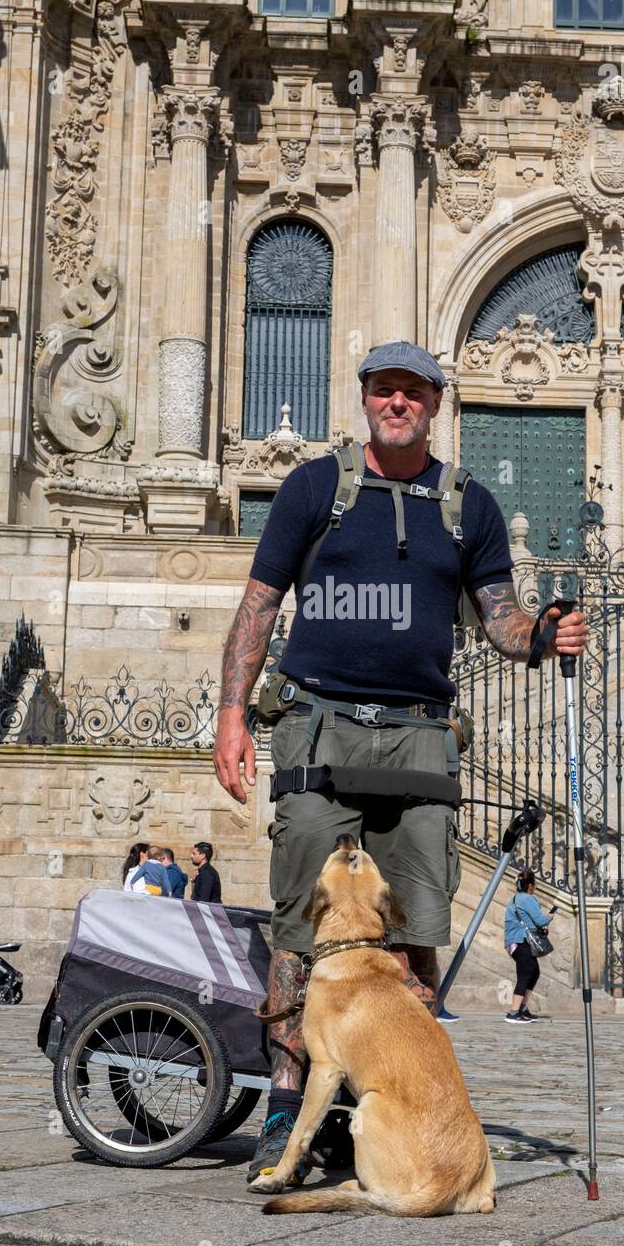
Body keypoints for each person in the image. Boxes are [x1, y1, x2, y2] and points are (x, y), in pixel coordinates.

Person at [213, 339, 588, 1184]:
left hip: (422, 731)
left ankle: (404, 1092)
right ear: (366, 399)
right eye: (384, 390)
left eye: (413, 392)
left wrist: (542, 636)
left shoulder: (468, 505)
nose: (397, 403)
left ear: (435, 405)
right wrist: (233, 713)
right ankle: (284, 1098)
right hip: (318, 721)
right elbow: (260, 604)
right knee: (302, 921)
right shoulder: (317, 487)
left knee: (420, 926)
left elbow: (500, 618)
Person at [504, 869, 558, 1024]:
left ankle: (522, 1007)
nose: (534, 888)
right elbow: (540, 920)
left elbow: (529, 921)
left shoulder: (514, 899)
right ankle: (514, 1012)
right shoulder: (528, 899)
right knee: (526, 973)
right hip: (520, 941)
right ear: (530, 886)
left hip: (514, 942)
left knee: (534, 972)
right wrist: (549, 917)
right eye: (534, 885)